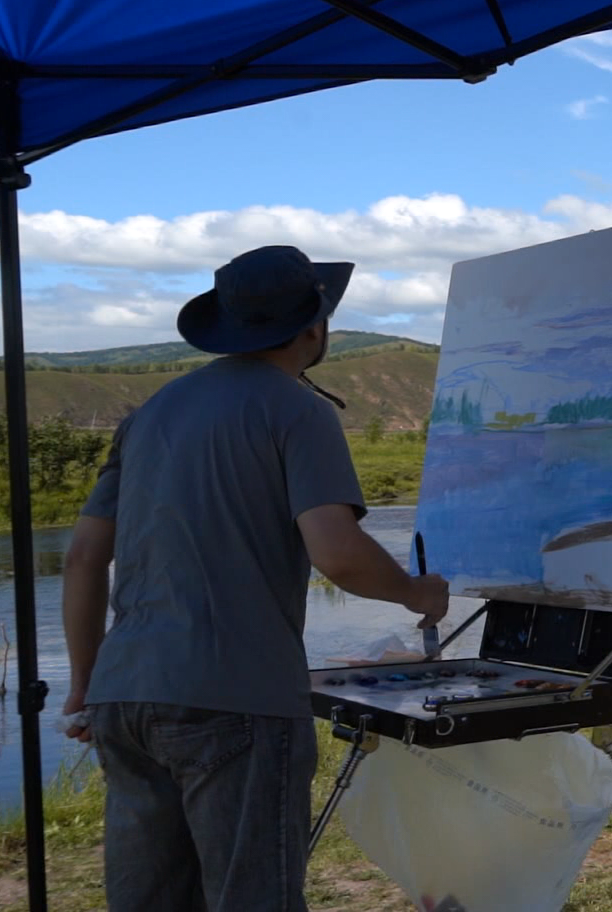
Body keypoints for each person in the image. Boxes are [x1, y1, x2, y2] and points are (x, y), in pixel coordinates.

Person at [58, 245, 451, 912]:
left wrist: (85, 685)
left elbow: (83, 559)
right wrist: (418, 592)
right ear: (314, 326)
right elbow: (337, 552)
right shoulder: (297, 410)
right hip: (236, 699)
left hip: (124, 696)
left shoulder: (149, 413)